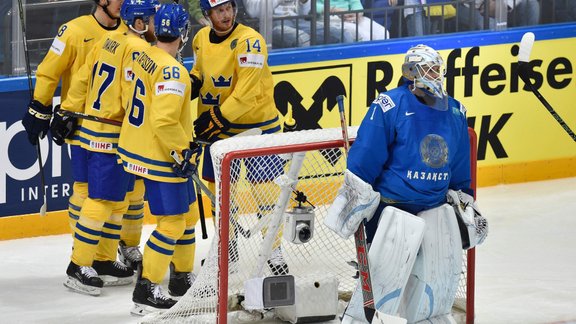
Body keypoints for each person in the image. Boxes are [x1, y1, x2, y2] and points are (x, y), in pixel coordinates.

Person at [325, 44, 488, 322]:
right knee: (384, 281)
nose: (436, 75)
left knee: (435, 284)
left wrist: (463, 200)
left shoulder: (457, 111)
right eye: (429, 69)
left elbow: (459, 163)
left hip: (435, 210)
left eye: (438, 69)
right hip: (392, 210)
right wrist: (355, 200)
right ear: (411, 71)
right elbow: (367, 155)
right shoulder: (390, 104)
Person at [51, 0, 161, 295]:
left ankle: (101, 260)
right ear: (139, 23)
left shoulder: (108, 39)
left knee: (114, 200)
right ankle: (78, 265)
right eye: (152, 18)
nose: (157, 24)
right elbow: (133, 97)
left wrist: (67, 110)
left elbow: (83, 79)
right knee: (101, 201)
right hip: (111, 136)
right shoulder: (140, 50)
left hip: (89, 129)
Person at [20, 0, 127, 290]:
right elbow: (49, 71)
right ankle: (82, 260)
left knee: (114, 197)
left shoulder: (128, 32)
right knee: (85, 193)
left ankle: (103, 258)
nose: (123, 2)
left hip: (115, 129)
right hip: (80, 125)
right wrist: (40, 107)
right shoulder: (73, 30)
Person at [190, 0, 289, 276]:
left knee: (265, 192)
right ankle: (226, 248)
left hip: (256, 129)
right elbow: (200, 71)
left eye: (229, 8)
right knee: (221, 196)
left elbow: (246, 93)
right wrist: (191, 84)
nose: (226, 14)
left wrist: (216, 118)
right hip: (219, 133)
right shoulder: (199, 39)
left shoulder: (251, 42)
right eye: (219, 10)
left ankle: (274, 248)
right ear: (207, 14)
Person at [117, 3, 200, 315]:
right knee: (173, 223)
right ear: (183, 33)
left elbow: (132, 98)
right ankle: (146, 288)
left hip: (137, 147)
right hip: (161, 156)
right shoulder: (173, 70)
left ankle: (180, 278)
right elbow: (164, 121)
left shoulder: (144, 56)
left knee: (188, 215)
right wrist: (183, 151)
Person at [244, 0, 353, 48]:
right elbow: (253, 11)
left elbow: (304, 12)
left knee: (343, 33)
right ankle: (310, 80)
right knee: (301, 38)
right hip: (270, 25)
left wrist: (304, 1)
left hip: (298, 20)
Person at [316, 0, 389, 41]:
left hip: (350, 15)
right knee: (365, 36)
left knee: (383, 32)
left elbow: (356, 3)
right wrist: (334, 10)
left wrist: (357, 14)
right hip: (328, 17)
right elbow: (312, 6)